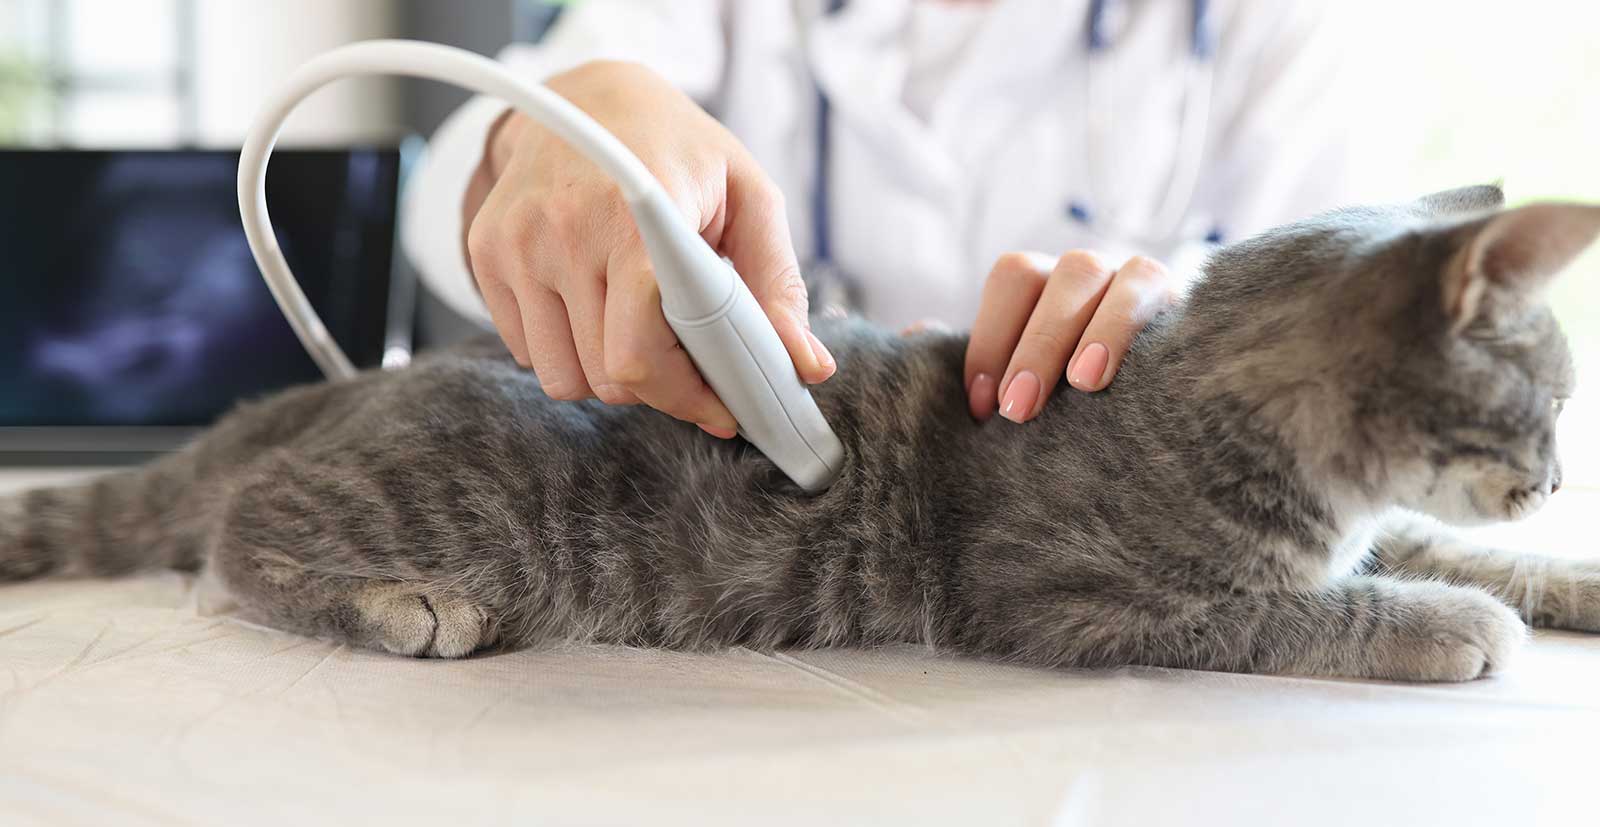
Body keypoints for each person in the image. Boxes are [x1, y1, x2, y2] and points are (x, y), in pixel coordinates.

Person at [401, 0, 1356, 437]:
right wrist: (564, 120)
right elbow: (448, 192)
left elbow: (1338, 314)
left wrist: (1188, 326)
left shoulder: (1273, 26)